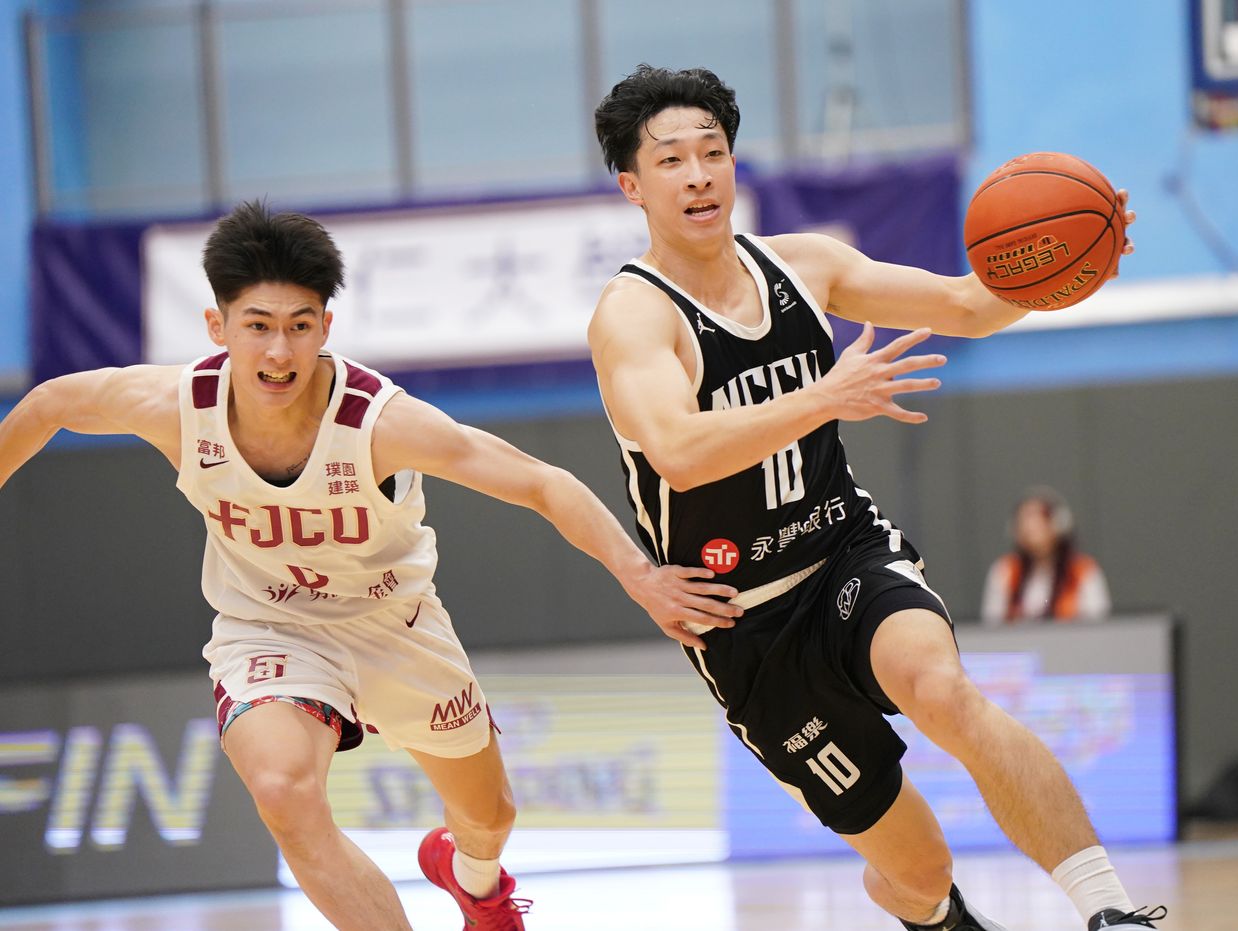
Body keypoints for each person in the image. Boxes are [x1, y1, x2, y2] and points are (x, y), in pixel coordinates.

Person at [0, 201, 743, 931]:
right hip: (270, 627)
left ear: (326, 327)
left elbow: (541, 482)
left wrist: (640, 575)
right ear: (217, 327)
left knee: (489, 817)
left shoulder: (380, 423)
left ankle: (477, 884)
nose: (278, 353)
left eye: (299, 327)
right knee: (284, 792)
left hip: (397, 626)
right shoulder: (173, 405)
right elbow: (49, 403)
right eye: (257, 326)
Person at [588, 65, 1164, 931]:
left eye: (714, 152)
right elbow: (678, 452)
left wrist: (1071, 262)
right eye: (671, 160)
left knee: (944, 690)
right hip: (743, 622)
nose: (699, 175)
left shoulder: (805, 265)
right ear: (633, 186)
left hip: (843, 552)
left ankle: (1112, 910)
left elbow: (965, 304)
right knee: (917, 870)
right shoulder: (634, 316)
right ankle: (935, 914)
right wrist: (824, 397)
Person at [980, 486, 1111, 625]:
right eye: (1025, 521)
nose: (1031, 528)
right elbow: (993, 624)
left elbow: (1098, 623)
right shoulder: (1005, 571)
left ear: (1059, 524)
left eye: (1040, 519)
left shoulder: (1082, 570)